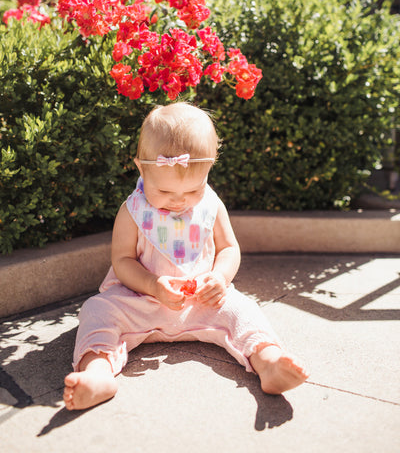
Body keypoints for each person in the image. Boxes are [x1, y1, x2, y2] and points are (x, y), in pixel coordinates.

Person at [63, 102, 309, 410]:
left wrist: (219, 278)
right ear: (142, 167)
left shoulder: (212, 205)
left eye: (193, 191)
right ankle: (97, 373)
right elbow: (122, 261)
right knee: (97, 310)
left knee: (244, 310)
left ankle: (269, 361)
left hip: (202, 305)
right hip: (141, 303)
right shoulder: (132, 212)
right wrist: (152, 285)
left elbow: (229, 248)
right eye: (165, 193)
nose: (179, 202)